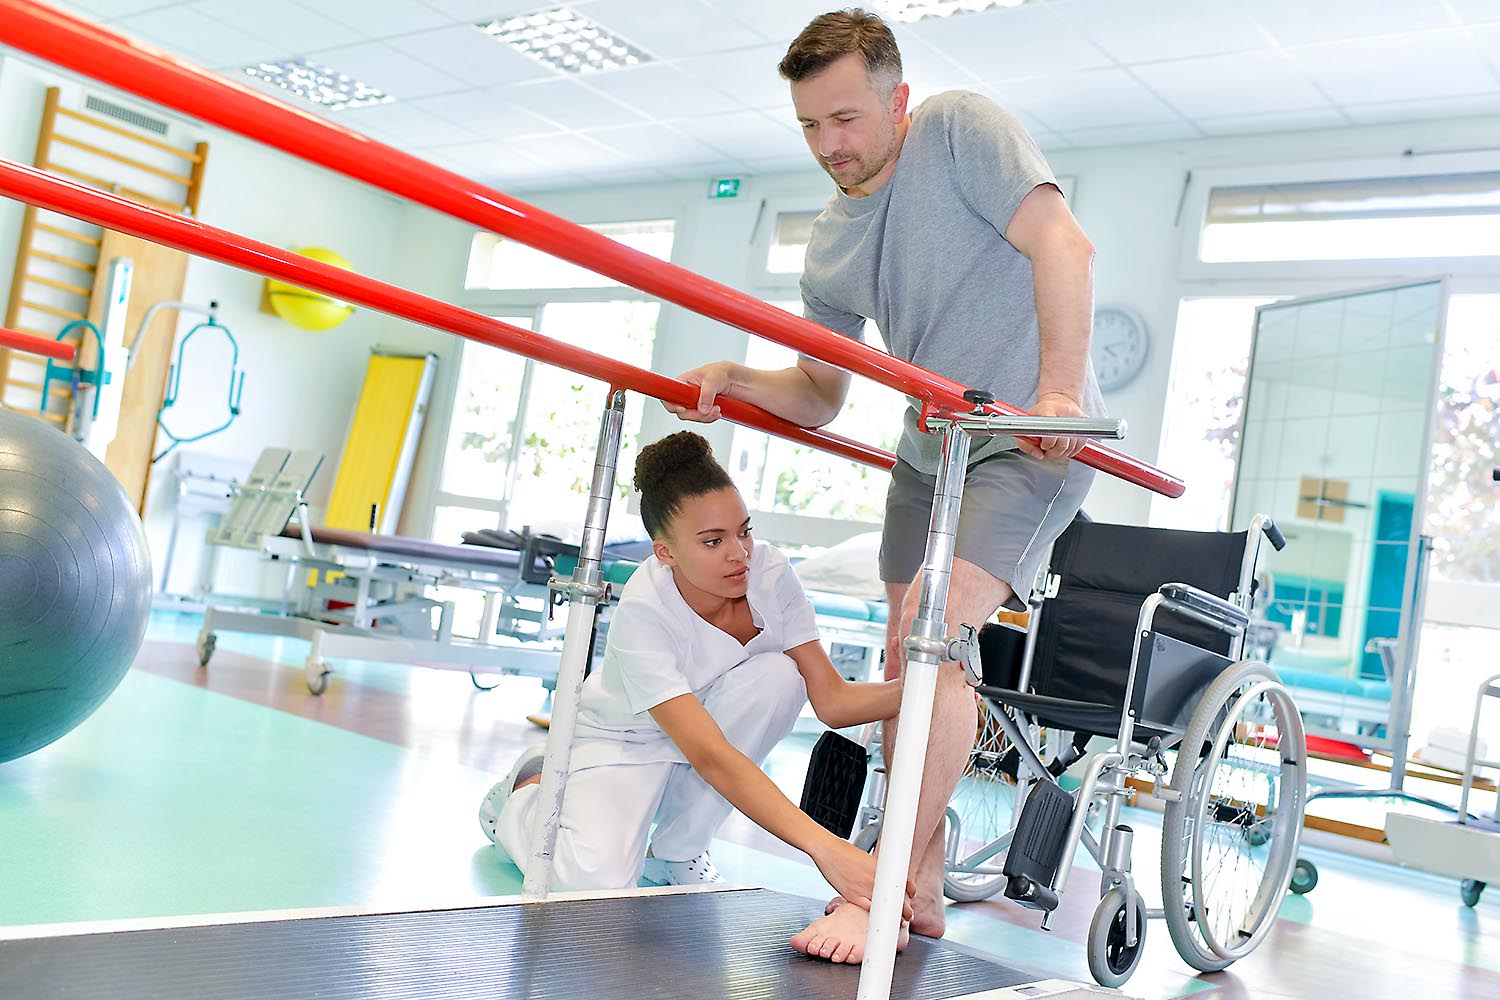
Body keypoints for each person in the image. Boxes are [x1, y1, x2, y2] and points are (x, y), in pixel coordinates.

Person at [666, 9, 1102, 963]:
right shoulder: (831, 238)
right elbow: (820, 394)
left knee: (933, 642)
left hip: (1023, 441)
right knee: (917, 662)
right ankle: (930, 881)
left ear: (898, 101)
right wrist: (739, 381)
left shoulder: (959, 130)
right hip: (928, 450)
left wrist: (1058, 399)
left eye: (849, 119)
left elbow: (1065, 247)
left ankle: (883, 881)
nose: (834, 145)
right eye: (813, 127)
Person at [480, 431, 910, 945]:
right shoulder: (644, 611)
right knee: (594, 883)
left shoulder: (770, 573)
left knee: (780, 675)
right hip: (623, 739)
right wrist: (825, 848)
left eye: (744, 532)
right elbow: (711, 756)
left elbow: (833, 702)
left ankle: (677, 854)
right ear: (666, 552)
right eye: (713, 541)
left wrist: (930, 687)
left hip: (709, 729)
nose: (739, 554)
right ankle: (522, 796)